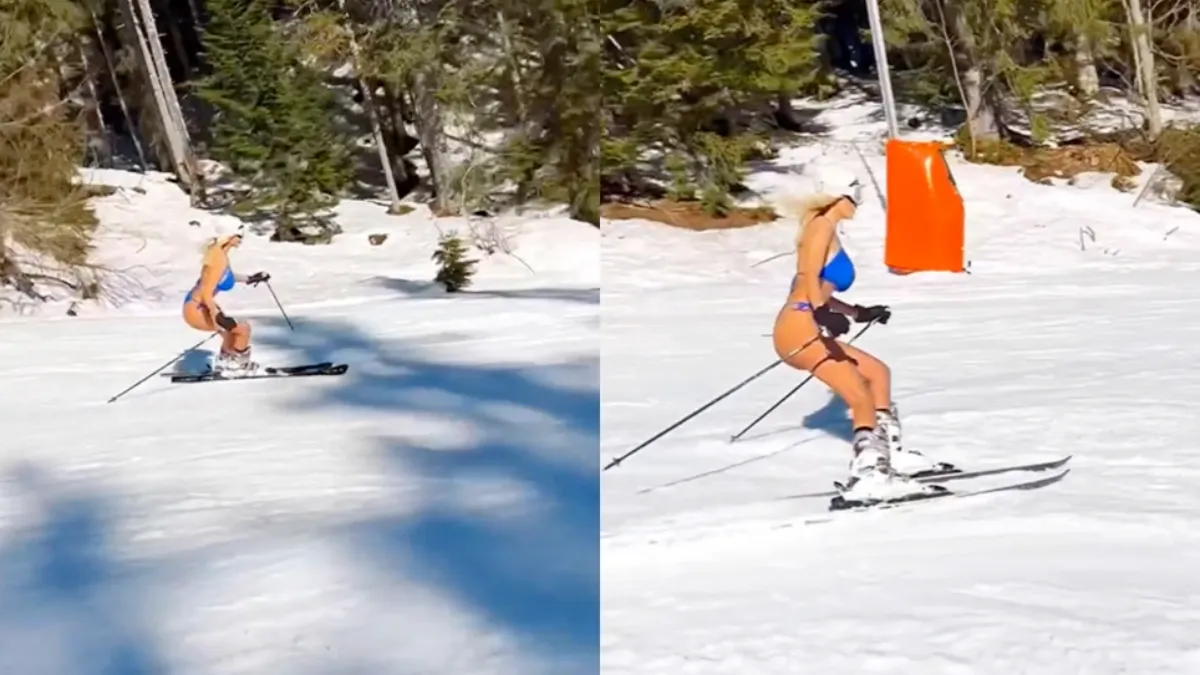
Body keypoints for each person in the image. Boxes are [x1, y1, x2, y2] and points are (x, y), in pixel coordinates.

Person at [771, 166, 945, 501]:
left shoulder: (823, 227)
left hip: (804, 321)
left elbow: (817, 285)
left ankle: (890, 455)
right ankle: (869, 476)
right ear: (839, 195)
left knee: (877, 373)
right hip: (799, 327)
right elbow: (807, 278)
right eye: (856, 196)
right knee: (860, 396)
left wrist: (857, 312)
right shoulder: (821, 226)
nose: (858, 204)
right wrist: (820, 313)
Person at [182, 223, 270, 374]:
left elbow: (222, 277)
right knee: (243, 329)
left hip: (199, 305)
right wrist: (217, 316)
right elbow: (206, 293)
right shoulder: (218, 258)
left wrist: (249, 279)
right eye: (238, 235)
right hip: (198, 308)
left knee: (231, 332)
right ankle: (238, 365)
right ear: (228, 236)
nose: (241, 239)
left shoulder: (218, 252)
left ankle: (225, 361)